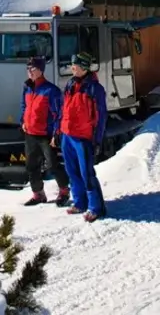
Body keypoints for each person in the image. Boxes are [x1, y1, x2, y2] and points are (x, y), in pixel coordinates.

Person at [59, 52, 111, 222]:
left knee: (86, 172)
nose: (71, 67)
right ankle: (80, 202)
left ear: (83, 67)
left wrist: (97, 140)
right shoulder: (70, 84)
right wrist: (59, 131)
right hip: (68, 135)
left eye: (75, 65)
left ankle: (96, 207)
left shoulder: (95, 89)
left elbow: (101, 116)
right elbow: (64, 110)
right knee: (72, 171)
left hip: (84, 138)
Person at [20, 57, 69, 206]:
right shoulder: (27, 87)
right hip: (30, 133)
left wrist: (56, 133)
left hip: (45, 135)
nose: (30, 71)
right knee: (31, 165)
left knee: (52, 165)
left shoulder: (50, 90)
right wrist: (22, 121)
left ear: (41, 70)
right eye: (28, 68)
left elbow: (58, 114)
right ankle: (38, 194)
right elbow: (24, 106)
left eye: (33, 68)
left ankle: (64, 191)